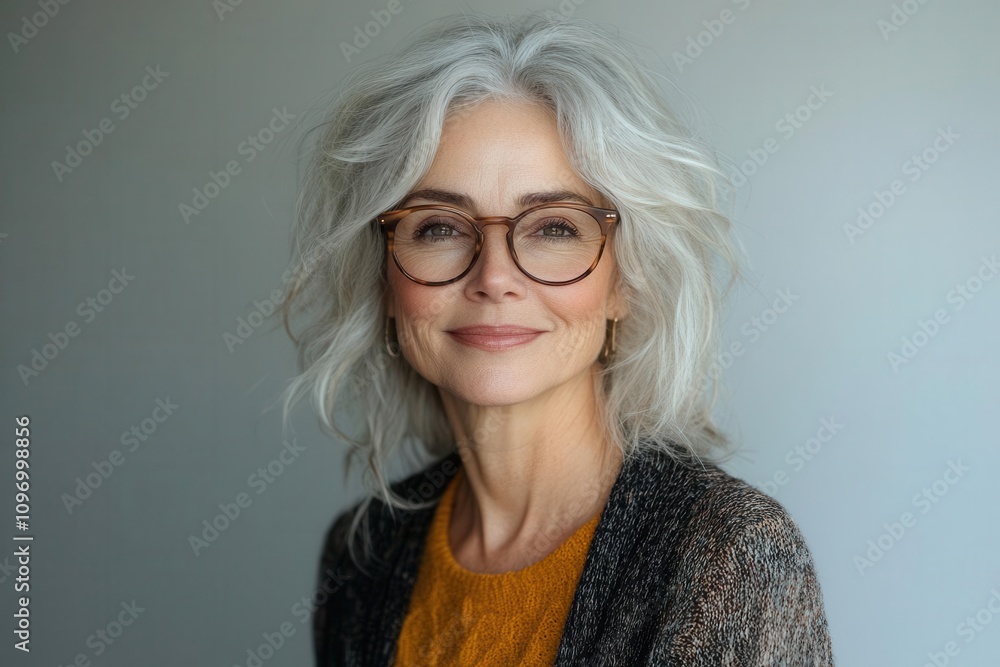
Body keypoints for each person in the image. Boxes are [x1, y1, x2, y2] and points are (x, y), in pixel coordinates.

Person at [279, 12, 835, 667]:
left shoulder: (726, 555)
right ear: (384, 277)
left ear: (626, 278)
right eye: (438, 227)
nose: (494, 277)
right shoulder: (362, 554)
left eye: (553, 228)